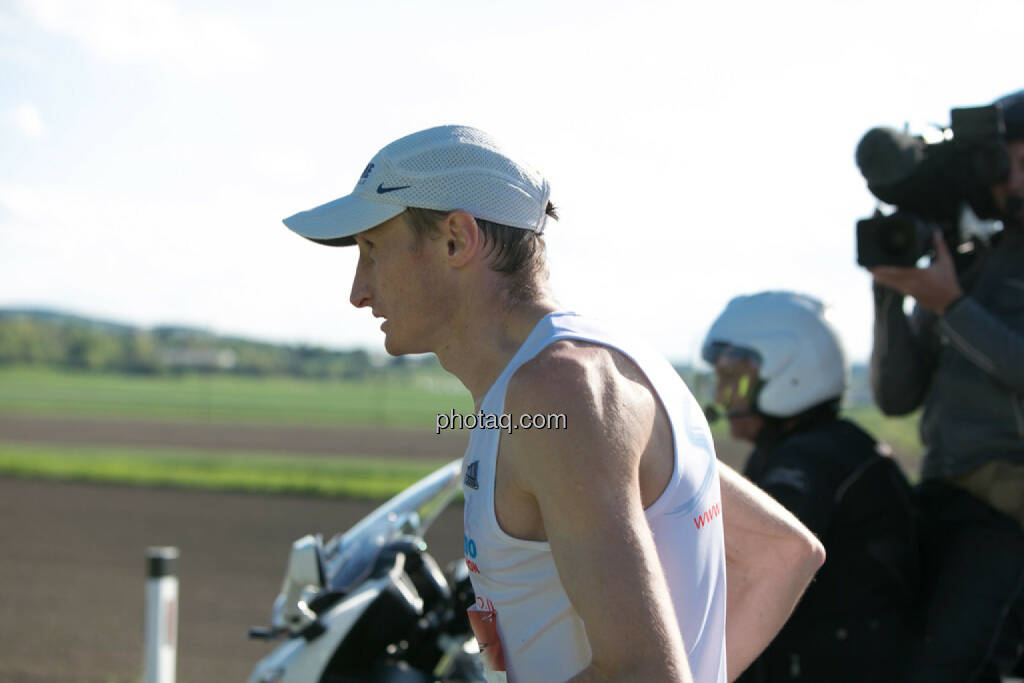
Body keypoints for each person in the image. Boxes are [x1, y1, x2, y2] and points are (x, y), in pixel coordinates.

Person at [281, 125, 825, 682]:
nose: (358, 290)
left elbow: (644, 675)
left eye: (372, 249)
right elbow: (779, 554)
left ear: (455, 239)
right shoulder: (597, 370)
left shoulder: (559, 391)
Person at [867, 90, 1024, 680]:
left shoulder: (963, 282)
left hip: (1008, 514)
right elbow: (897, 398)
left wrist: (951, 306)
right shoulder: (973, 259)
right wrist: (889, 295)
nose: (1007, 181)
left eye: (1022, 164)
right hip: (945, 501)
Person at [702, 291, 919, 682]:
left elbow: (742, 565)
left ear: (790, 375)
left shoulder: (809, 462)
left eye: (733, 379)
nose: (721, 396)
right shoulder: (823, 447)